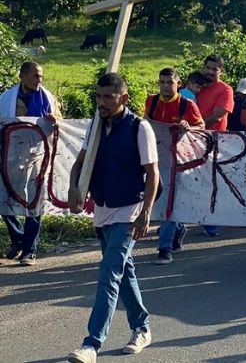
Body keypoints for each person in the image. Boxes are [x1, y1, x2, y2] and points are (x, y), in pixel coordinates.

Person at [66, 73, 159, 363]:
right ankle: (142, 327)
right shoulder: (95, 125)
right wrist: (74, 187)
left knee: (109, 273)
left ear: (124, 99)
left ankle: (92, 343)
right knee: (123, 271)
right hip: (103, 209)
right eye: (98, 96)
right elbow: (80, 163)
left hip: (129, 211)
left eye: (108, 97)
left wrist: (146, 213)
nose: (101, 102)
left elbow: (153, 173)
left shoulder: (139, 128)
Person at [144, 68, 204, 266]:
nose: (165, 86)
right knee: (161, 201)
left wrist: (189, 127)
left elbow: (202, 127)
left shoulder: (187, 104)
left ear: (178, 83)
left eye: (169, 82)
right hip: (154, 159)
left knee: (169, 202)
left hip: (177, 161)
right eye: (162, 82)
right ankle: (178, 228)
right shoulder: (151, 101)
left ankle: (164, 249)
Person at [0, 61, 58, 265]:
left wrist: (54, 119)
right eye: (35, 76)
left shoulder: (48, 98)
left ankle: (29, 249)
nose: (39, 80)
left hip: (37, 158)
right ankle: (18, 239)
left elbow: (60, 122)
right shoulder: (6, 98)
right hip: (11, 157)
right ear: (22, 76)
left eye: (41, 76)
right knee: (4, 199)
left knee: (35, 202)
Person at [195, 54, 234, 237]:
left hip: (214, 142)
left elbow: (218, 114)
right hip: (191, 140)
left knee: (210, 182)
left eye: (214, 69)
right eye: (208, 68)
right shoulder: (197, 86)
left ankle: (210, 221)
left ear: (221, 71)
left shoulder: (225, 90)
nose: (210, 72)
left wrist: (196, 127)